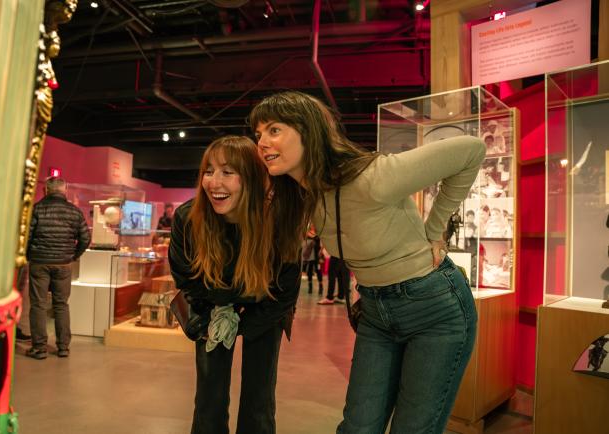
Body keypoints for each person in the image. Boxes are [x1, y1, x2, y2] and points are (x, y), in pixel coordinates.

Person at [250, 91, 485, 434]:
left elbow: (471, 151)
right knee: (358, 427)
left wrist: (435, 231)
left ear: (308, 130)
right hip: (375, 311)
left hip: (434, 307)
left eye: (273, 129)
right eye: (258, 134)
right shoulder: (307, 196)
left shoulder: (371, 176)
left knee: (413, 428)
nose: (262, 142)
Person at [168, 135, 301, 434]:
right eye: (209, 171)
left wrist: (245, 321)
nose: (214, 182)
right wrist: (219, 311)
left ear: (252, 178)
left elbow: (285, 288)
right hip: (208, 305)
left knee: (259, 396)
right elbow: (185, 275)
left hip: (266, 306)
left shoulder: (277, 219)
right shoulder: (188, 217)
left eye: (228, 172)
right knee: (209, 397)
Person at [26, 177, 91, 359]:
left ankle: (39, 348)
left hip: (39, 263)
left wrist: (29, 256)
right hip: (63, 264)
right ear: (65, 191)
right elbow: (85, 239)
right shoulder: (75, 211)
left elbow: (26, 238)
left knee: (38, 305)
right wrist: (73, 256)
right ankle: (63, 347)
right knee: (61, 305)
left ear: (45, 190)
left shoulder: (36, 209)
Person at [302, 227, 324, 294]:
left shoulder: (318, 233)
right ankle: (310, 287)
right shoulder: (306, 233)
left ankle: (321, 287)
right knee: (309, 271)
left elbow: (323, 243)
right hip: (309, 256)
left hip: (316, 255)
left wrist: (321, 250)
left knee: (318, 271)